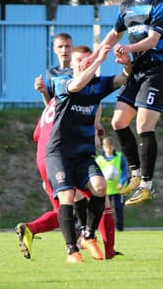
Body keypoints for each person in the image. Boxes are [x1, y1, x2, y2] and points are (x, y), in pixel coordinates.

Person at [86, 0, 163, 206]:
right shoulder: (125, 7)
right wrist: (94, 57)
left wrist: (128, 48)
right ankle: (135, 173)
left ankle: (147, 184)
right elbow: (114, 34)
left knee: (145, 123)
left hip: (158, 71)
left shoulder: (160, 6)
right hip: (136, 72)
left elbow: (152, 40)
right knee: (118, 121)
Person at [46, 44, 131, 263]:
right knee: (66, 196)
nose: (84, 62)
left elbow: (123, 78)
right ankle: (71, 250)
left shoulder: (97, 85)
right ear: (72, 64)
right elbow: (77, 85)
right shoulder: (63, 82)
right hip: (59, 153)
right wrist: (97, 61)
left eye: (87, 58)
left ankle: (88, 235)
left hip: (83, 154)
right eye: (79, 61)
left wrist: (128, 63)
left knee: (100, 188)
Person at [95, 137, 128, 231]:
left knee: (118, 208)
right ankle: (103, 227)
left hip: (118, 188)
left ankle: (120, 228)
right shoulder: (99, 159)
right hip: (105, 189)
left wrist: (122, 182)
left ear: (113, 147)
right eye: (106, 147)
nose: (108, 149)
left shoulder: (119, 156)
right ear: (103, 147)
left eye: (110, 147)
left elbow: (125, 170)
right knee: (103, 209)